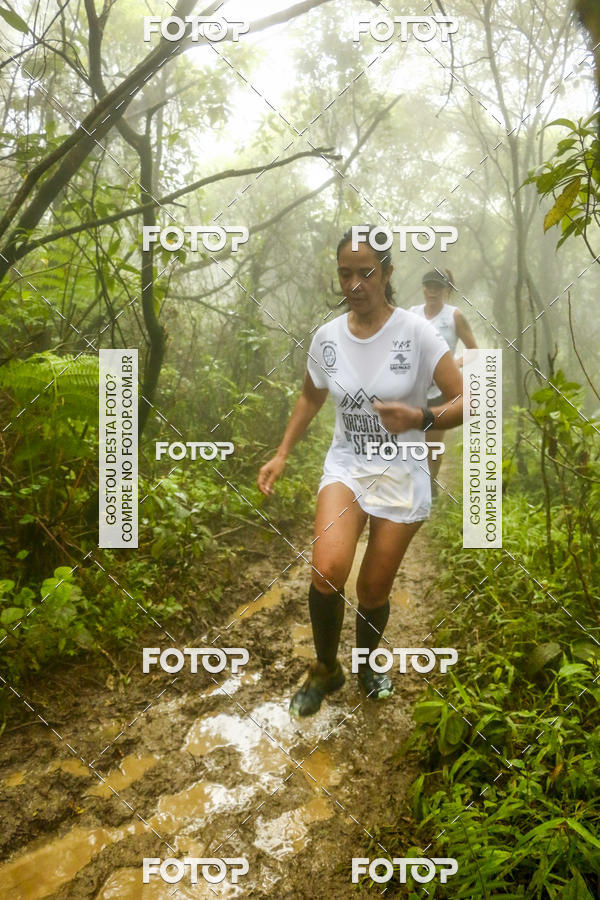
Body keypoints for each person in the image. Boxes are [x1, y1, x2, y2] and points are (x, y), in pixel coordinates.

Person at [257, 227, 463, 717]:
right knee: (327, 569)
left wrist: (419, 417)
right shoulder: (328, 338)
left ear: (387, 273)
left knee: (372, 588)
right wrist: (282, 452)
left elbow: (466, 399)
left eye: (366, 272)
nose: (354, 284)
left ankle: (369, 663)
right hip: (347, 463)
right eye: (345, 273)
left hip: (403, 469)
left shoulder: (417, 333)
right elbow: (312, 395)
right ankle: (326, 670)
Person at [410, 270, 477, 485]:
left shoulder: (454, 316)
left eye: (437, 287)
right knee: (411, 439)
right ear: (423, 288)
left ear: (447, 290)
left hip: (440, 391)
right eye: (428, 286)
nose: (432, 291)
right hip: (414, 388)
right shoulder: (412, 314)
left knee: (434, 444)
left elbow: (473, 349)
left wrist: (453, 365)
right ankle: (412, 484)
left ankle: (431, 484)